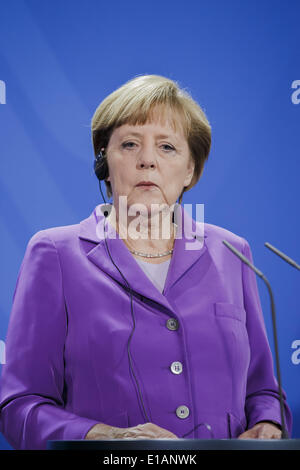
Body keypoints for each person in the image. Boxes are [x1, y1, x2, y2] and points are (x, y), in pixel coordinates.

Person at [0, 74, 292, 449]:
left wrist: (268, 423)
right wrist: (107, 437)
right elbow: (20, 405)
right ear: (104, 164)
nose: (147, 161)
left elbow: (263, 389)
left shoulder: (232, 253)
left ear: (190, 170)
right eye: (130, 144)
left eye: (167, 147)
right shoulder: (55, 255)